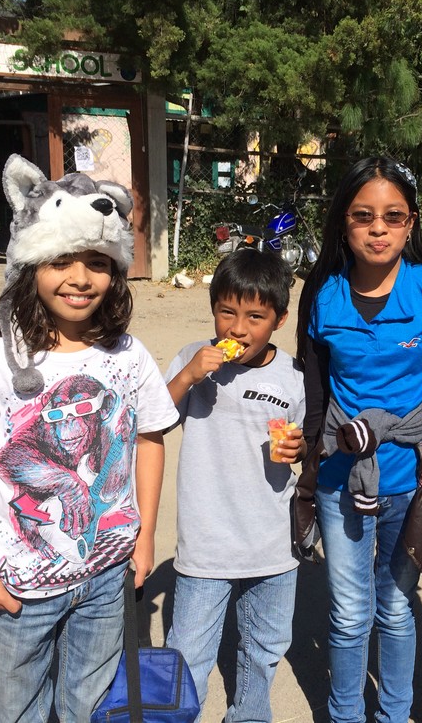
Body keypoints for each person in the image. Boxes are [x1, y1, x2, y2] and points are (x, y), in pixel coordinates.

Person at [0, 156, 178, 722]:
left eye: (96, 261)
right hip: (18, 593)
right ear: (31, 264)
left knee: (86, 707)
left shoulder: (127, 356)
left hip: (106, 577)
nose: (80, 277)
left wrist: (144, 535)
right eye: (60, 260)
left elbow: (151, 437)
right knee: (18, 713)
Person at [295, 157, 422, 723]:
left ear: (410, 223)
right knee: (348, 613)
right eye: (363, 216)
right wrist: (308, 476)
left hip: (410, 480)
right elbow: (316, 394)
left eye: (393, 217)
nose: (378, 229)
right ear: (344, 223)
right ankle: (345, 716)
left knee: (394, 609)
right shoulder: (323, 293)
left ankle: (393, 716)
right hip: (342, 478)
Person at [164, 247, 305, 722]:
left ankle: (248, 715)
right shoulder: (194, 360)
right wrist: (188, 375)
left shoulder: (294, 378)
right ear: (213, 310)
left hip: (271, 542)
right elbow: (154, 421)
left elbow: (308, 442)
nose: (237, 329)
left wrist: (299, 450)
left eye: (255, 316)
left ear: (279, 320)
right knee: (187, 654)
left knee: (264, 649)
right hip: (207, 542)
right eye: (227, 311)